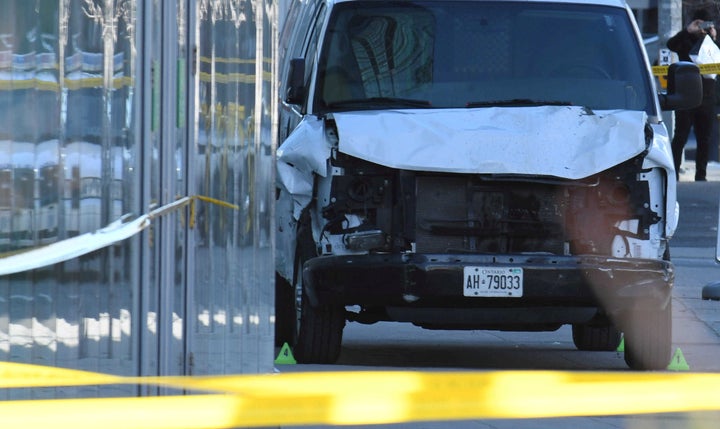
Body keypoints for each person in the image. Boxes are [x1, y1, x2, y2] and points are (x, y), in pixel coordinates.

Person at [667, 8, 720, 181]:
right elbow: (671, 45)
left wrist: (713, 38)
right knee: (680, 136)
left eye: (705, 24)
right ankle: (673, 173)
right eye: (699, 23)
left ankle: (701, 174)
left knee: (704, 138)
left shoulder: (711, 43)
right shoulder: (685, 40)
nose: (702, 27)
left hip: (707, 97)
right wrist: (687, 31)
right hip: (686, 96)